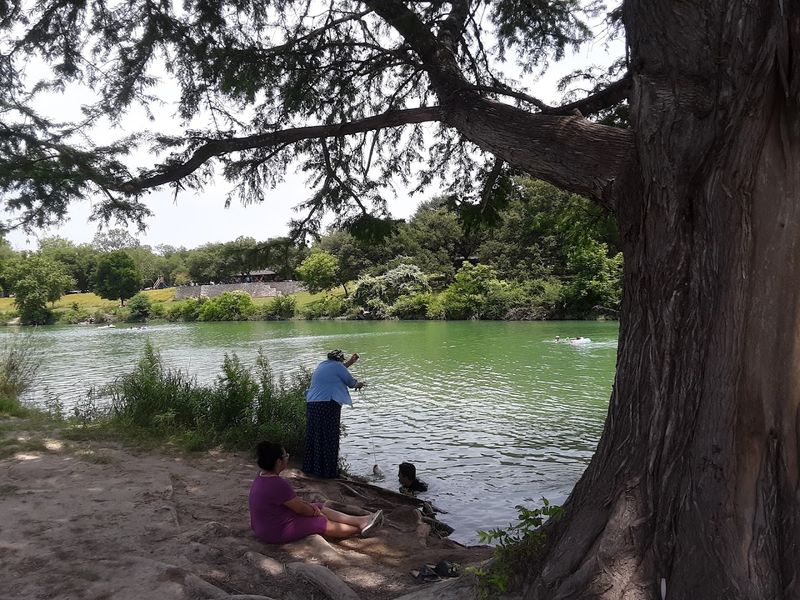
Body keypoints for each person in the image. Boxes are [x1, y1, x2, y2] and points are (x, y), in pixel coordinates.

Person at [249, 441, 383, 544]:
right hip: (274, 531)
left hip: (264, 525)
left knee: (318, 505)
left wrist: (314, 508)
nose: (287, 458)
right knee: (319, 522)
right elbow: (300, 509)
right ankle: (360, 529)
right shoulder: (278, 484)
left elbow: (294, 504)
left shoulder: (262, 476)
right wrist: (313, 512)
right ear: (278, 461)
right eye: (286, 455)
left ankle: (361, 521)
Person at [302, 349, 364, 478]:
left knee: (315, 436)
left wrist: (351, 362)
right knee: (329, 436)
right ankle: (328, 472)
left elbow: (340, 370)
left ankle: (312, 468)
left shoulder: (322, 365)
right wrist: (359, 384)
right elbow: (351, 382)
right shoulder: (337, 367)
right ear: (339, 360)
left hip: (312, 404)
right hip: (327, 405)